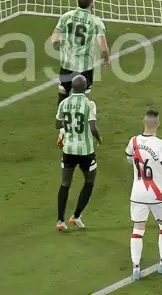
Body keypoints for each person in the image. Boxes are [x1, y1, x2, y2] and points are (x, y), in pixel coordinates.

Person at [125, 109, 162, 281]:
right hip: (156, 194)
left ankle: (135, 268)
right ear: (158, 123)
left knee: (137, 230)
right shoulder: (161, 144)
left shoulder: (133, 141)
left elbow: (129, 158)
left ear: (144, 123)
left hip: (138, 193)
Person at [55, 75, 102, 231]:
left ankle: (60, 220)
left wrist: (62, 133)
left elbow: (58, 122)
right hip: (86, 152)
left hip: (68, 149)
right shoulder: (89, 104)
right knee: (89, 181)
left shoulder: (64, 103)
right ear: (85, 87)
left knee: (65, 183)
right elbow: (93, 127)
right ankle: (76, 216)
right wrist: (99, 138)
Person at [50, 0, 110, 104]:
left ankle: (62, 120)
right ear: (92, 3)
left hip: (66, 65)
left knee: (62, 97)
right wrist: (107, 59)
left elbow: (54, 40)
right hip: (85, 67)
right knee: (81, 99)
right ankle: (79, 121)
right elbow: (103, 47)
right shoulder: (96, 22)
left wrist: (69, 37)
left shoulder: (66, 17)